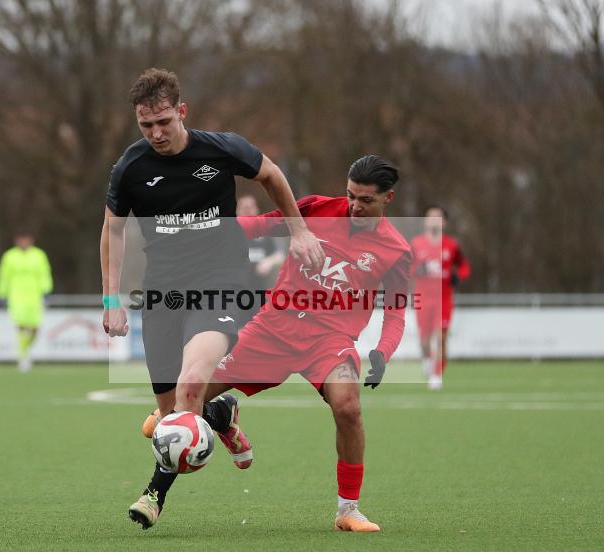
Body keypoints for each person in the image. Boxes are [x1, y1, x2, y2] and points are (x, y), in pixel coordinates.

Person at [100, 68, 324, 529]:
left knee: (190, 386)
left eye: (164, 121)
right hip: (163, 293)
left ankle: (153, 495)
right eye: (147, 126)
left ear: (182, 111)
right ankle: (222, 415)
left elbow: (273, 175)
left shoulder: (221, 149)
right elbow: (112, 230)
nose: (157, 133)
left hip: (221, 283)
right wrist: (111, 299)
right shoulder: (131, 167)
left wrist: (298, 230)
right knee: (170, 415)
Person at [141, 155, 410, 531]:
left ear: (388, 199)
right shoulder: (317, 209)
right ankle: (216, 424)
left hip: (328, 340)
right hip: (272, 328)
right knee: (187, 398)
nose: (354, 205)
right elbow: (262, 226)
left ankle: (348, 510)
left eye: (366, 200)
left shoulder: (396, 250)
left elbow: (396, 311)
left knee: (348, 407)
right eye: (351, 195)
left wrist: (383, 351)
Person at [410, 206, 471, 390]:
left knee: (441, 338)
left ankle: (437, 374)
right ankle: (428, 359)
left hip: (443, 299)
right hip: (422, 298)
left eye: (439, 217)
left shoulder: (452, 245)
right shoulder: (416, 244)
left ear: (445, 222)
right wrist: (415, 271)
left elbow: (464, 267)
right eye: (430, 217)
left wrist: (458, 276)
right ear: (425, 221)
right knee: (424, 340)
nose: (434, 221)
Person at [0, 232, 53, 372]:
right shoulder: (9, 256)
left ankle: (25, 350)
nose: (23, 242)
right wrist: (1, 294)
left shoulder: (39, 255)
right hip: (17, 297)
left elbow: (45, 274)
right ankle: (24, 357)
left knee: (34, 329)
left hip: (34, 297)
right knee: (20, 327)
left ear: (31, 240)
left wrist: (46, 291)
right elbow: (4, 276)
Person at [236, 195, 284, 326]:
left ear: (256, 209)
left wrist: (269, 261)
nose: (247, 211)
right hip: (236, 289)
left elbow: (279, 255)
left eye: (250, 207)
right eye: (244, 208)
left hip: (259, 288)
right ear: (237, 210)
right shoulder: (232, 232)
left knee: (257, 323)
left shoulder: (264, 232)